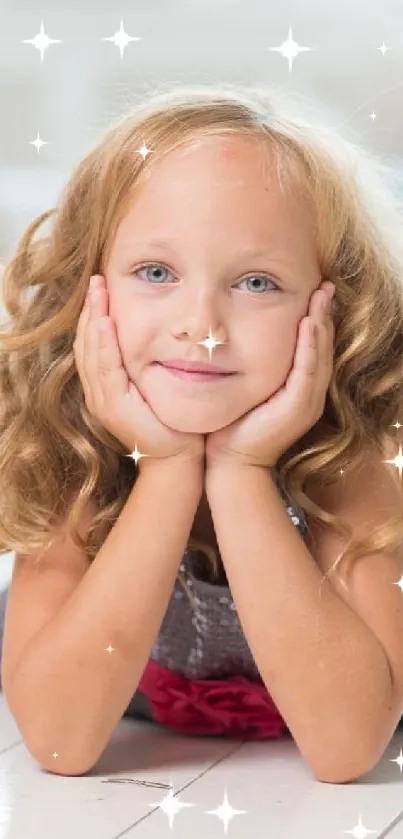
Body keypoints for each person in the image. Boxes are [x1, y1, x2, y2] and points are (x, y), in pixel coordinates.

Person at [0, 83, 403, 780]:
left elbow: (345, 748)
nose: (202, 327)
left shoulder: (347, 465)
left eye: (254, 283)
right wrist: (162, 469)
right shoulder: (78, 456)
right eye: (155, 272)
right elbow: (61, 743)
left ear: (332, 307)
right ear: (87, 291)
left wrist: (243, 471)